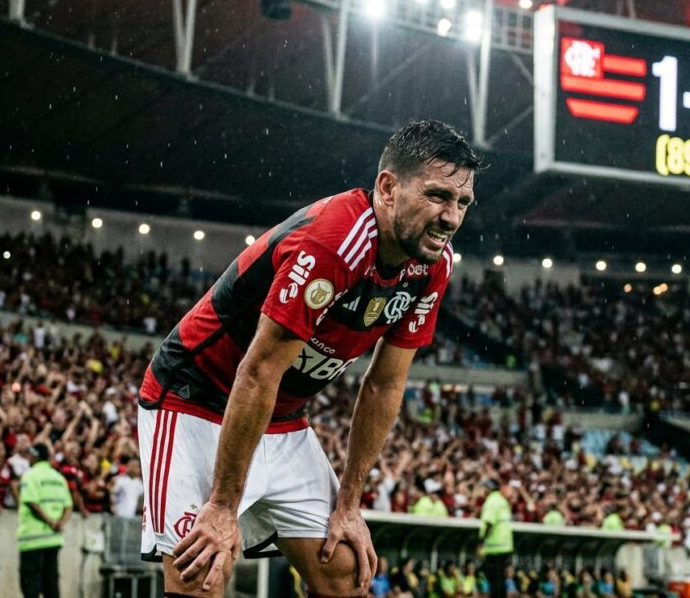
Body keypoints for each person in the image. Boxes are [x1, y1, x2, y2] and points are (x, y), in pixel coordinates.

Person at [137, 120, 481, 596]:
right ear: (387, 187)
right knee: (202, 574)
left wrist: (350, 503)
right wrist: (221, 505)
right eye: (438, 195)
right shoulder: (332, 240)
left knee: (345, 573)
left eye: (462, 202)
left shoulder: (433, 266)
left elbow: (384, 385)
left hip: (280, 416)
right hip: (194, 397)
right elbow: (258, 370)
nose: (451, 217)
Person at [17, 442, 73, 598]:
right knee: (51, 584)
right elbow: (68, 506)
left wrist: (49, 521)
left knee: (30, 584)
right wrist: (59, 523)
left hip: (32, 539)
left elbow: (32, 503)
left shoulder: (29, 475)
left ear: (34, 456)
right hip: (53, 539)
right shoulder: (59, 478)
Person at [479, 481, 515, 597]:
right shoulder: (502, 500)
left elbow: (489, 523)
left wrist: (481, 541)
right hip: (505, 545)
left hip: (494, 546)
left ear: (489, 488)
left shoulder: (491, 501)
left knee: (494, 579)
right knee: (501, 578)